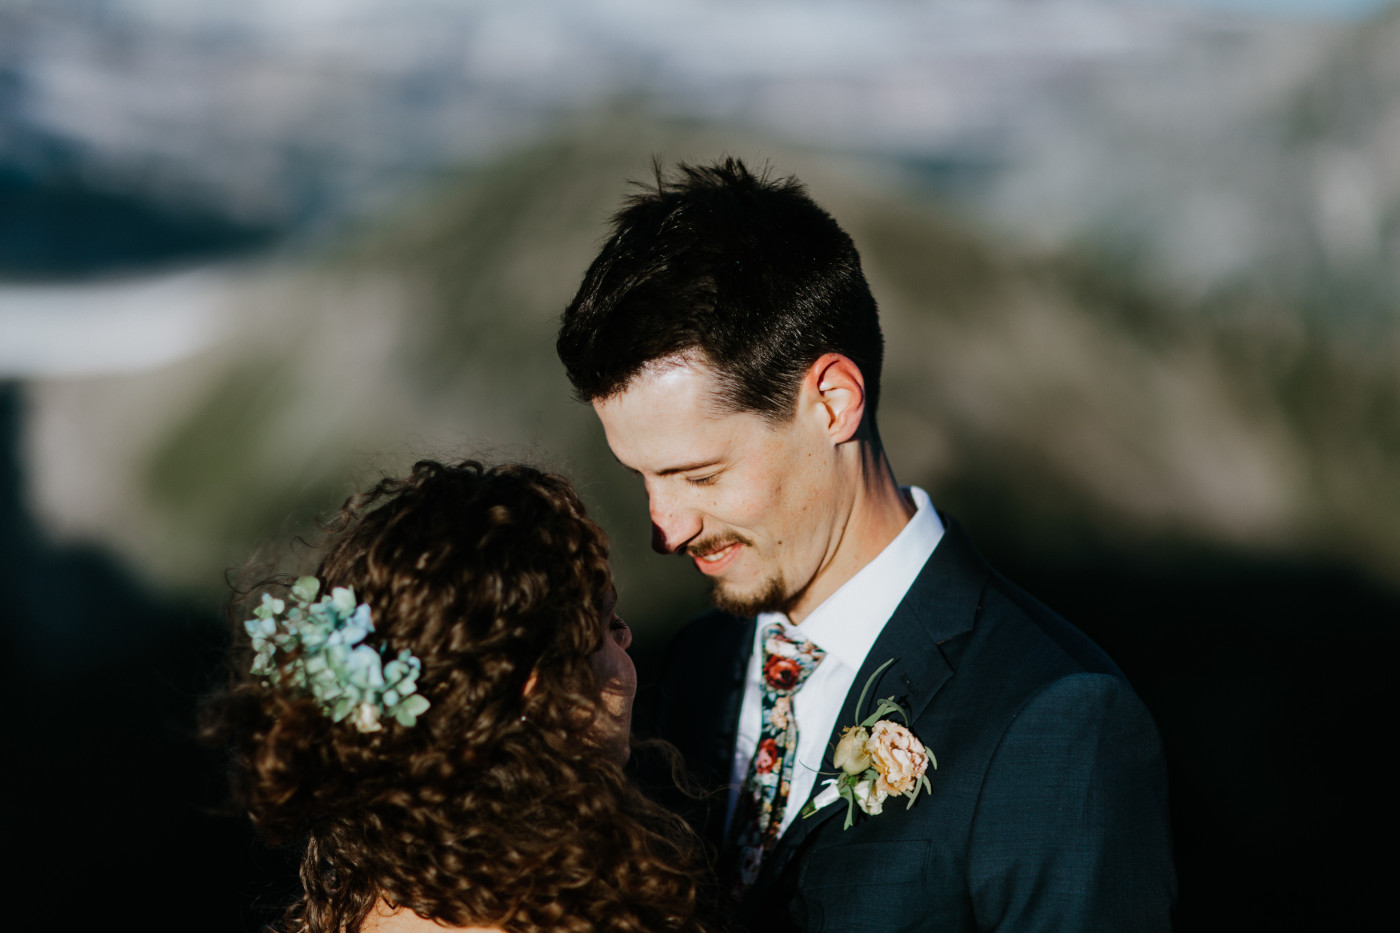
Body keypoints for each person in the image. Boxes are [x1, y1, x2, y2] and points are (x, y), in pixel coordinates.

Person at [556, 159, 1176, 931]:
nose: (665, 527)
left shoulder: (1055, 722)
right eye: (644, 479)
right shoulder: (684, 672)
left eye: (699, 474)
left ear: (832, 400)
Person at [215, 460, 715, 933]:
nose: (627, 646)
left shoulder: (366, 895)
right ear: (540, 695)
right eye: (609, 628)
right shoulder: (560, 910)